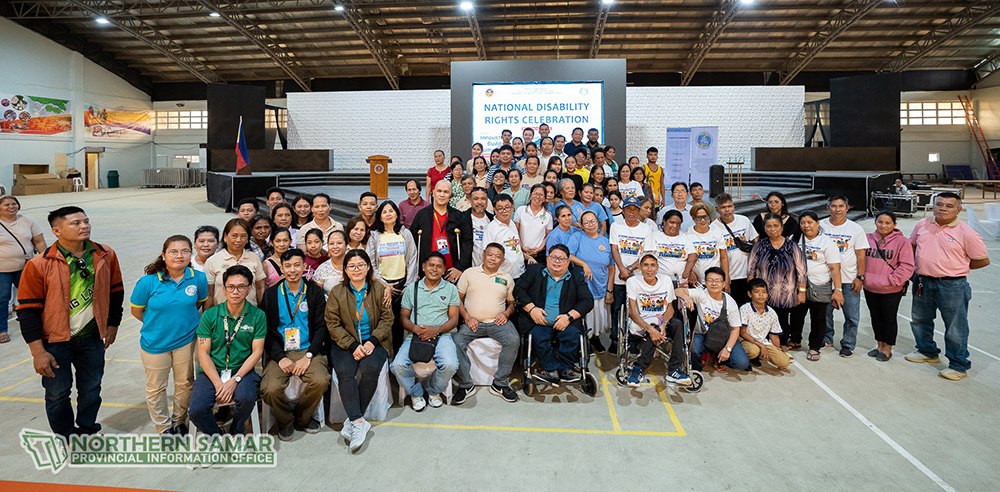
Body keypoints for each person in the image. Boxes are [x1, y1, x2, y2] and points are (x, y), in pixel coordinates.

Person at [17, 206, 123, 438]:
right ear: (57, 230)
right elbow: (27, 311)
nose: (84, 226)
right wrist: (38, 352)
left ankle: (87, 431)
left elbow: (116, 292)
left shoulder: (105, 254)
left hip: (92, 337)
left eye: (86, 221)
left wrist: (112, 324)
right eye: (75, 223)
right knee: (57, 394)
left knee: (91, 389)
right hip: (55, 342)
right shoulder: (39, 264)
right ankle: (65, 436)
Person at [905, 192, 989, 380]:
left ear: (958, 210)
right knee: (920, 319)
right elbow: (912, 246)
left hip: (952, 286)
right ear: (933, 206)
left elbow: (982, 260)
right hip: (922, 281)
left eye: (949, 206)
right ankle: (927, 351)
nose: (943, 208)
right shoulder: (922, 225)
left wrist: (955, 268)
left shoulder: (966, 232)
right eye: (939, 204)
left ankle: (958, 365)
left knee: (955, 327)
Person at [131, 235, 208, 434]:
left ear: (190, 254)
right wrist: (157, 325)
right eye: (173, 251)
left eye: (184, 251)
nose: (179, 256)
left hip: (186, 341)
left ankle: (179, 420)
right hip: (155, 343)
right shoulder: (147, 282)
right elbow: (136, 310)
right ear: (163, 255)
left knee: (185, 383)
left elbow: (198, 304)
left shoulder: (198, 278)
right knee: (156, 387)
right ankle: (163, 427)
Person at [260, 249, 330, 440]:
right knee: (270, 389)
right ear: (281, 268)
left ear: (304, 267)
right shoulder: (271, 294)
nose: (292, 270)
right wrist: (279, 358)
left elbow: (321, 328)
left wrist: (309, 356)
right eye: (288, 266)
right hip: (281, 351)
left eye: (297, 265)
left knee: (320, 381)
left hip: (308, 349)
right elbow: (267, 330)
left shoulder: (314, 292)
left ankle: (302, 418)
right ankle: (285, 420)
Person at [326, 249, 392, 451]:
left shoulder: (379, 290)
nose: (356, 270)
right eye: (352, 266)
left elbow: (387, 319)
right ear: (345, 270)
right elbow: (332, 323)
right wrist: (353, 345)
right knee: (345, 372)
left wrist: (372, 341)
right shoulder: (337, 292)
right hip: (345, 344)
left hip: (375, 341)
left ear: (368, 267)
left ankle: (355, 420)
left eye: (361, 265)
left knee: (370, 368)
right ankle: (358, 421)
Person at [189, 265, 266, 435]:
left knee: (246, 398)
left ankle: (236, 429)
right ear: (224, 289)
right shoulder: (210, 315)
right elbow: (203, 353)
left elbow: (257, 352)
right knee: (196, 410)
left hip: (242, 371)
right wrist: (219, 384)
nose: (235, 292)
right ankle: (217, 434)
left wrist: (235, 380)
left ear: (249, 289)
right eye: (231, 287)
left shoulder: (258, 316)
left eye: (241, 287)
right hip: (212, 371)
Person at [390, 253, 460, 411]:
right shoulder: (412, 289)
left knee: (450, 365)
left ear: (444, 270)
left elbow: (454, 319)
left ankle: (433, 390)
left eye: (439, 266)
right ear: (423, 267)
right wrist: (415, 328)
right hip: (416, 334)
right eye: (431, 265)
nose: (434, 269)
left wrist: (436, 330)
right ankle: (416, 392)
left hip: (443, 335)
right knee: (397, 365)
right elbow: (403, 317)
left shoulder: (450, 289)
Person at [514, 244, 593, 384]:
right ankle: (550, 369)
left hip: (565, 321)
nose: (557, 261)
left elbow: (587, 300)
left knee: (572, 336)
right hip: (538, 320)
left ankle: (565, 369)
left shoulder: (576, 276)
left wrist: (569, 317)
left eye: (561, 259)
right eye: (554, 257)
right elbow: (519, 290)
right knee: (539, 337)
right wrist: (532, 309)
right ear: (547, 259)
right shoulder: (534, 271)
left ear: (568, 262)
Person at [452, 243, 520, 404]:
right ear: (483, 255)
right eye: (490, 255)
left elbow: (512, 303)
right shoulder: (469, 273)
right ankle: (466, 384)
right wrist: (467, 317)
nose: (493, 259)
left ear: (502, 260)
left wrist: (506, 313)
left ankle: (500, 383)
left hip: (498, 323)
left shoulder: (506, 277)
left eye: (497, 256)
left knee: (513, 340)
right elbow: (457, 299)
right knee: (456, 341)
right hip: (472, 323)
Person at [624, 252, 690, 386]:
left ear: (657, 267)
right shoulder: (632, 282)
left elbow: (670, 308)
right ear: (640, 267)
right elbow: (633, 313)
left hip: (661, 321)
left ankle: (674, 369)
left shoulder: (666, 280)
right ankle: (638, 368)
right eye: (646, 265)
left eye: (652, 265)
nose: (649, 269)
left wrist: (663, 325)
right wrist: (652, 330)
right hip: (642, 322)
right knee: (654, 328)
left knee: (678, 324)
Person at [747, 213, 807, 346]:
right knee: (765, 321)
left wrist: (802, 291)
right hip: (765, 293)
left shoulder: (792, 246)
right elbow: (751, 269)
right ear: (764, 228)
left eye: (776, 225)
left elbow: (802, 271)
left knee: (783, 321)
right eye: (769, 226)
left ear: (782, 227)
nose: (772, 229)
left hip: (786, 293)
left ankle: (782, 346)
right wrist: (751, 290)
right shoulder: (759, 245)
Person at [676, 267, 751, 372]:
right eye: (710, 280)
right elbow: (677, 291)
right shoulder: (702, 294)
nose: (714, 283)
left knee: (741, 363)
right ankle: (706, 355)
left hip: (722, 337)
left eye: (717, 281)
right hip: (703, 335)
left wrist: (727, 349)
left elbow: (735, 329)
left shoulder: (730, 302)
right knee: (694, 349)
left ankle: (718, 357)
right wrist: (687, 298)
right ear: (706, 282)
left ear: (724, 284)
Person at [367, 200, 419, 351]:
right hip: (381, 284)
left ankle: (399, 352)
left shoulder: (405, 233)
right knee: (383, 320)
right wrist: (384, 284)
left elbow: (412, 259)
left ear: (397, 214)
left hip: (402, 284)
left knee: (400, 321)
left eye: (391, 211)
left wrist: (408, 285)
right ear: (380, 216)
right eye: (384, 212)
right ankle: (384, 352)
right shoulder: (375, 236)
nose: (388, 214)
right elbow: (370, 263)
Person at [863, 211, 915, 362]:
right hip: (870, 287)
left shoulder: (902, 242)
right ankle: (879, 345)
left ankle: (888, 348)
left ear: (894, 224)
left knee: (889, 318)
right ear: (875, 222)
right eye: (880, 222)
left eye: (887, 223)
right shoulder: (867, 238)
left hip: (891, 289)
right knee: (875, 317)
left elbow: (907, 266)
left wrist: (891, 280)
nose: (883, 225)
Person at [819, 195, 867, 357]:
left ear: (847, 208)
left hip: (848, 279)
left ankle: (848, 344)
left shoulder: (855, 229)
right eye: (834, 206)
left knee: (852, 316)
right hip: (825, 279)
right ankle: (826, 338)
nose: (837, 209)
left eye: (841, 206)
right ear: (828, 208)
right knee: (825, 314)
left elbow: (861, 255)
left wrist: (860, 277)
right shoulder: (820, 226)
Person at [796, 211, 845, 362]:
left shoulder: (827, 242)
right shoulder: (795, 238)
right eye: (803, 223)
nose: (806, 226)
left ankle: (814, 347)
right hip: (799, 286)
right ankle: (795, 340)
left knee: (818, 318)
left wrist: (838, 290)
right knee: (797, 315)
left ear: (817, 223)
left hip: (820, 285)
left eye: (810, 222)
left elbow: (835, 268)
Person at [609, 196, 653, 354]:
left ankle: (633, 341)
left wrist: (630, 269)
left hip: (638, 277)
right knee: (618, 309)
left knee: (636, 310)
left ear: (639, 210)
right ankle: (616, 341)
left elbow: (647, 253)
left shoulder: (646, 229)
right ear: (624, 210)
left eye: (635, 209)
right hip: (619, 277)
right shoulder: (616, 226)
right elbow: (614, 249)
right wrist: (622, 269)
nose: (632, 212)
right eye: (628, 209)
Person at [0, 195, 46, 343]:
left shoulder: (27, 220)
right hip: (2, 270)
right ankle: (2, 330)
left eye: (13, 204)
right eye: (6, 205)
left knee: (34, 296)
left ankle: (42, 324)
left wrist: (45, 260)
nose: (11, 207)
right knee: (2, 298)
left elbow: (39, 241)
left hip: (26, 267)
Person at [568, 211, 614, 352]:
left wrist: (610, 290)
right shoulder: (577, 237)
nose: (591, 224)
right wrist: (584, 264)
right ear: (582, 225)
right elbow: (568, 255)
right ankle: (584, 341)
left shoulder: (605, 241)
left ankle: (595, 338)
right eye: (586, 222)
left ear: (597, 222)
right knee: (586, 314)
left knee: (598, 316)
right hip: (585, 285)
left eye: (593, 221)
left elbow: (611, 267)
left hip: (601, 284)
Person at [411, 180, 473, 283]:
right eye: (439, 191)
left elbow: (467, 242)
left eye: (446, 192)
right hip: (426, 271)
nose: (442, 195)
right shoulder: (421, 215)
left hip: (451, 272)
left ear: (450, 195)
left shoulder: (459, 216)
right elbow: (413, 243)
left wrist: (460, 267)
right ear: (433, 193)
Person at [204, 218, 267, 307]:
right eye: (234, 235)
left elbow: (260, 288)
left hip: (250, 312)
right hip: (221, 313)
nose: (238, 240)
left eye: (243, 236)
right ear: (225, 237)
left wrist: (262, 309)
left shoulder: (254, 258)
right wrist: (208, 313)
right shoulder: (212, 261)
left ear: (248, 239)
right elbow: (209, 294)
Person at [711, 193, 757, 306]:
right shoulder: (713, 227)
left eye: (729, 206)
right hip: (729, 277)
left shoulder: (744, 220)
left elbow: (755, 240)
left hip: (747, 274)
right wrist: (725, 277)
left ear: (734, 207)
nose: (727, 210)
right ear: (717, 209)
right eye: (723, 207)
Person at [738, 279, 791, 371]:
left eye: (764, 292)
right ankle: (748, 359)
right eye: (757, 292)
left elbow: (774, 336)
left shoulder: (771, 312)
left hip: (763, 342)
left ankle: (759, 355)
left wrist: (777, 351)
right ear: (750, 294)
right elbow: (742, 332)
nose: (761, 295)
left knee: (784, 362)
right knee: (753, 351)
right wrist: (760, 345)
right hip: (746, 340)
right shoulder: (745, 309)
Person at [646, 209, 696, 284]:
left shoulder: (685, 237)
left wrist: (686, 273)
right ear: (664, 221)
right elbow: (648, 256)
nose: (675, 226)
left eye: (678, 223)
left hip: (681, 281)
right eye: (672, 222)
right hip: (659, 280)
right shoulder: (655, 236)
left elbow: (693, 256)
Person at [483, 194, 526, 279]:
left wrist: (528, 257)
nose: (504, 211)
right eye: (500, 208)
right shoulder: (491, 228)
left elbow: (515, 247)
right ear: (495, 210)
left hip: (520, 272)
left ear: (512, 208)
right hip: (502, 276)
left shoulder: (512, 223)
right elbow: (486, 254)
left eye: (507, 207)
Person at [687, 203, 729, 286]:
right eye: (699, 218)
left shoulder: (717, 232)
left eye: (705, 217)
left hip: (715, 280)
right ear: (693, 219)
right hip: (696, 282)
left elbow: (724, 257)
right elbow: (685, 258)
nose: (703, 220)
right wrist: (690, 272)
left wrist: (726, 278)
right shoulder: (687, 235)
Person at [515, 185, 554, 264]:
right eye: (536, 194)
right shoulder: (520, 210)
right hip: (520, 251)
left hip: (538, 255)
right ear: (530, 196)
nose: (538, 197)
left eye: (541, 195)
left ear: (544, 199)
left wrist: (539, 248)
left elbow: (548, 236)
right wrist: (522, 246)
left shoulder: (548, 215)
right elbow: (515, 231)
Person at [466, 187, 495, 266]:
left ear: (487, 201)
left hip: (490, 267)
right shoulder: (462, 219)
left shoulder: (493, 220)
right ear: (470, 201)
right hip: (469, 267)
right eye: (476, 199)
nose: (479, 202)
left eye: (483, 199)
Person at [313, 230, 349, 295]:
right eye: (331, 244)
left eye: (339, 243)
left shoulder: (354, 265)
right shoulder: (322, 269)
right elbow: (316, 295)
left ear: (346, 245)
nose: (335, 247)